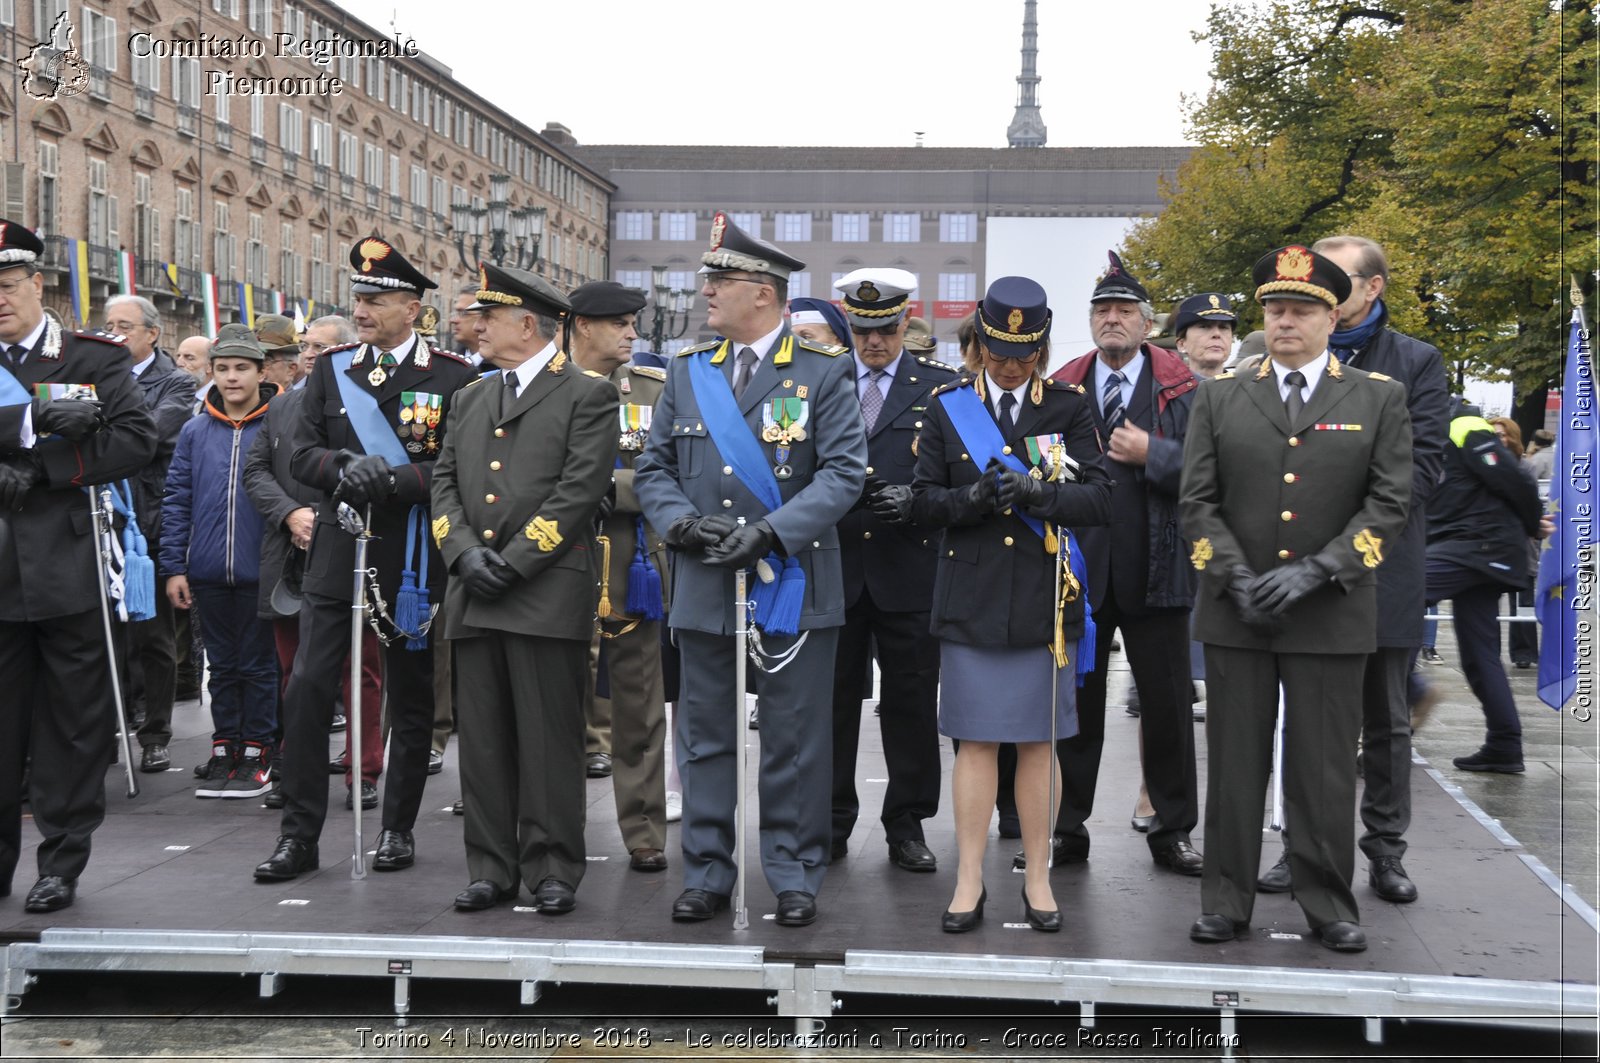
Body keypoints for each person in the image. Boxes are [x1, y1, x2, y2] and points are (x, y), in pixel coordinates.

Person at [634, 212, 867, 927]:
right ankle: (706, 869)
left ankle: (794, 870)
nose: (706, 292)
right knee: (704, 734)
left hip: (790, 581)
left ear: (763, 292)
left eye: (720, 280)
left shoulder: (823, 372)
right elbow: (654, 467)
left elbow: (843, 473)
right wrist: (679, 523)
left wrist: (770, 533)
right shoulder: (687, 373)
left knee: (795, 737)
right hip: (705, 578)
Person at [1182, 244, 1412, 954]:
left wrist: (1320, 570)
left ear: (1332, 315)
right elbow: (1196, 501)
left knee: (1322, 768)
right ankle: (1225, 897)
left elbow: (1390, 502)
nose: (1286, 320)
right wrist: (1233, 576)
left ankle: (1327, 901)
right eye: (1275, 308)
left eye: (1302, 309)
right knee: (1233, 764)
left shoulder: (1377, 396)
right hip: (1237, 609)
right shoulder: (1219, 395)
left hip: (1330, 610)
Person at [253, 237, 476, 882]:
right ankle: (299, 835)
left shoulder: (454, 377)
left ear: (413, 307)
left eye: (376, 299)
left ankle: (397, 828)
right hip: (337, 549)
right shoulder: (332, 369)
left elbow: (456, 470)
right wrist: (344, 466)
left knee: (409, 697)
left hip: (409, 559)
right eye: (359, 297)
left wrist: (401, 481)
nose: (363, 309)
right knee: (307, 691)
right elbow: (300, 455)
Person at [911, 276, 1111, 932]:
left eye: (1023, 353)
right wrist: (968, 501)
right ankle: (968, 877)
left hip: (1041, 599)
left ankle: (1040, 875)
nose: (1009, 364)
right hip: (970, 594)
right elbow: (921, 502)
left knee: (1036, 742)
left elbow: (1099, 499)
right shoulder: (946, 406)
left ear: (1042, 349)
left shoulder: (1069, 407)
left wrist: (1034, 492)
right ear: (979, 342)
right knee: (974, 742)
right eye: (998, 350)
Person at [1256, 235, 1449, 907]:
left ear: (1372, 289)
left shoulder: (1417, 363)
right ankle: (1299, 846)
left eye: (1340, 276)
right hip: (1295, 569)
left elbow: (1420, 471)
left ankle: (1385, 849)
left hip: (1381, 568)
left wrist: (1339, 542)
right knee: (1305, 717)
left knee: (1387, 719)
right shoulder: (1281, 356)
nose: (1320, 288)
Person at [432, 263, 617, 913]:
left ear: (528, 323)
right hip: (475, 591)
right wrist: (461, 553)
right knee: (480, 744)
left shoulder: (587, 394)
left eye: (488, 318)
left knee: (546, 741)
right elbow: (445, 483)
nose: (475, 326)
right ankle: (491, 863)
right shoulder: (471, 396)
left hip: (540, 591)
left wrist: (510, 561)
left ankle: (553, 866)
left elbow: (579, 490)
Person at [0, 220, 157, 911]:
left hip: (69, 559)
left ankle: (61, 861)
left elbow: (133, 441)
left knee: (72, 723)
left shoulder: (92, 358)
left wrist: (42, 468)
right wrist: (34, 426)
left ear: (37, 285)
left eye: (6, 287)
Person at [1047, 253, 1203, 877]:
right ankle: (1065, 828)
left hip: (1157, 572)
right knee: (1074, 709)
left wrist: (1154, 453)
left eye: (1124, 311)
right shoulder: (1060, 386)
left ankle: (1172, 832)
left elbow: (1213, 472)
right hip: (1077, 574)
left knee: (1167, 709)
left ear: (1147, 323)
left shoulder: (1185, 389)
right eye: (1102, 310)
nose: (1113, 319)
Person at [828, 268, 956, 872]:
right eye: (860, 330)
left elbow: (964, 476)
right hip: (837, 565)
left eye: (883, 330)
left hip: (910, 566)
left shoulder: (941, 388)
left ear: (905, 322)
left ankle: (907, 823)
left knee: (910, 703)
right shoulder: (823, 382)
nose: (871, 343)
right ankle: (829, 819)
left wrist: (918, 502)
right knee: (831, 704)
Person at [243, 314, 382, 811]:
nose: (308, 355)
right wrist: (289, 513)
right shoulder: (282, 407)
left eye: (320, 348)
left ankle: (361, 770)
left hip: (347, 548)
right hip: (289, 554)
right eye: (306, 347)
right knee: (293, 671)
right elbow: (256, 469)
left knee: (357, 668)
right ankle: (295, 769)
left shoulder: (366, 406)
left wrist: (321, 515)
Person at [567, 279, 673, 873]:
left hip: (632, 566)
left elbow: (670, 475)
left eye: (634, 323)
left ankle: (645, 832)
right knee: (557, 710)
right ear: (583, 325)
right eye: (620, 324)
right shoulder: (547, 385)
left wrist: (614, 488)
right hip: (556, 563)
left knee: (638, 708)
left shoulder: (653, 392)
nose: (633, 334)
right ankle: (559, 830)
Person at [160, 329, 279, 798]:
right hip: (207, 570)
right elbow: (177, 499)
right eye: (223, 368)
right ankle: (224, 744)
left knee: (259, 664)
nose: (231, 377)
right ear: (211, 372)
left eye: (242, 368)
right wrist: (175, 566)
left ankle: (258, 748)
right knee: (221, 666)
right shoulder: (194, 430)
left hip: (260, 569)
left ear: (261, 372)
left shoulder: (275, 425)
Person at [1425, 400, 1548, 773]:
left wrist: (1533, 523)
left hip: (1476, 545)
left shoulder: (1462, 424)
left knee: (1389, 597)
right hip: (1470, 547)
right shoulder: (1420, 425)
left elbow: (1514, 479)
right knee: (1480, 656)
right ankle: (1505, 746)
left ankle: (1409, 701)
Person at [102, 295, 196, 775]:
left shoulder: (177, 382)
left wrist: (95, 430)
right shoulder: (94, 378)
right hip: (101, 525)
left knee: (153, 637)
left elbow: (148, 438)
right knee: (102, 638)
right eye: (108, 325)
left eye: (124, 326)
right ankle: (103, 733)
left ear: (152, 334)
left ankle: (155, 733)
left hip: (150, 526)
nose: (114, 333)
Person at [1173, 292, 1236, 381]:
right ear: (1182, 344)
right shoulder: (1166, 393)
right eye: (1204, 327)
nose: (1217, 334)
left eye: (1223, 327)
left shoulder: (1246, 392)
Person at [255, 314, 304, 393]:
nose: (257, 369)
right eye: (253, 360)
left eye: (266, 361)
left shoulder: (300, 404)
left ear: (291, 370)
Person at [448, 286, 483, 365]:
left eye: (463, 313)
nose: (453, 320)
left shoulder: (505, 368)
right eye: (456, 313)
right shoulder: (447, 363)